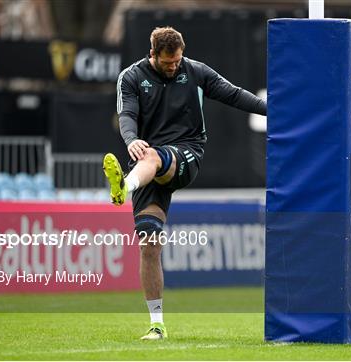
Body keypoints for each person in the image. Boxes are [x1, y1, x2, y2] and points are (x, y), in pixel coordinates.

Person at [104, 26, 266, 340]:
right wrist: (131, 139)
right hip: (145, 162)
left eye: (177, 60)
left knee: (151, 158)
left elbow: (234, 94)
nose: (173, 66)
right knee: (150, 245)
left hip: (186, 152)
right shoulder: (132, 77)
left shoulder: (196, 72)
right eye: (167, 62)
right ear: (152, 54)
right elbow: (126, 115)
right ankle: (157, 325)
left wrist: (273, 110)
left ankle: (124, 187)